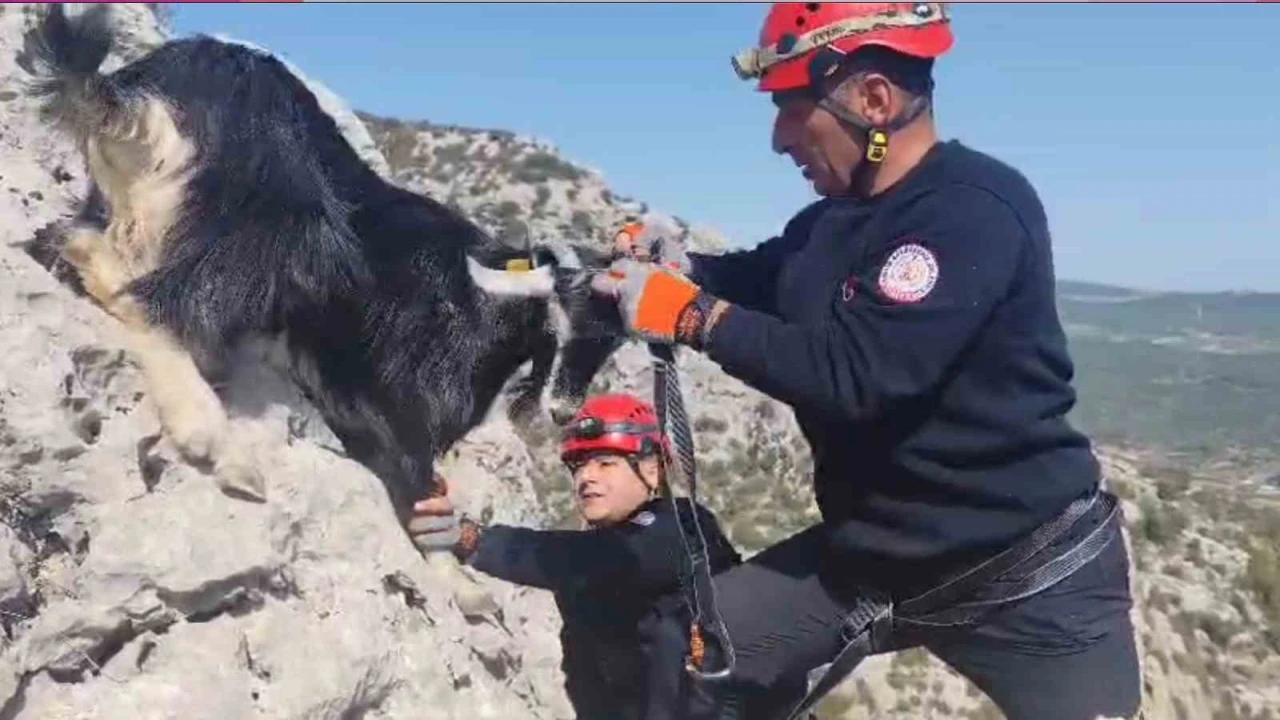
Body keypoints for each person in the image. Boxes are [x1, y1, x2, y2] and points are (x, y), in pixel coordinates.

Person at [589, 3, 1141, 719]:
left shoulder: (971, 209)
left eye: (792, 109)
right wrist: (681, 266)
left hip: (1028, 573)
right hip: (879, 559)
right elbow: (760, 276)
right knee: (699, 650)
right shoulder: (831, 223)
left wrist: (691, 315)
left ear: (874, 101)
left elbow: (857, 375)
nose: (780, 140)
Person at [411, 393, 742, 720]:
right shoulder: (584, 583)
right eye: (578, 465)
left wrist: (474, 540)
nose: (587, 477)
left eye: (605, 463)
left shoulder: (684, 529)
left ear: (652, 470)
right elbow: (588, 686)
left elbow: (602, 558)